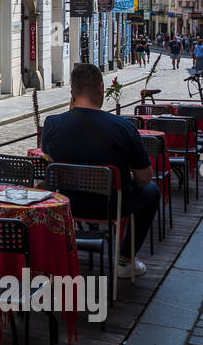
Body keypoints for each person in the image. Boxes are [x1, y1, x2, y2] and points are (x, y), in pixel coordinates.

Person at [42, 63, 162, 279]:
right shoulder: (123, 128)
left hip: (66, 204)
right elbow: (144, 179)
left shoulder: (52, 124)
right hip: (112, 206)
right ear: (101, 89)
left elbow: (51, 160)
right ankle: (125, 259)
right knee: (152, 192)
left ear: (72, 91)